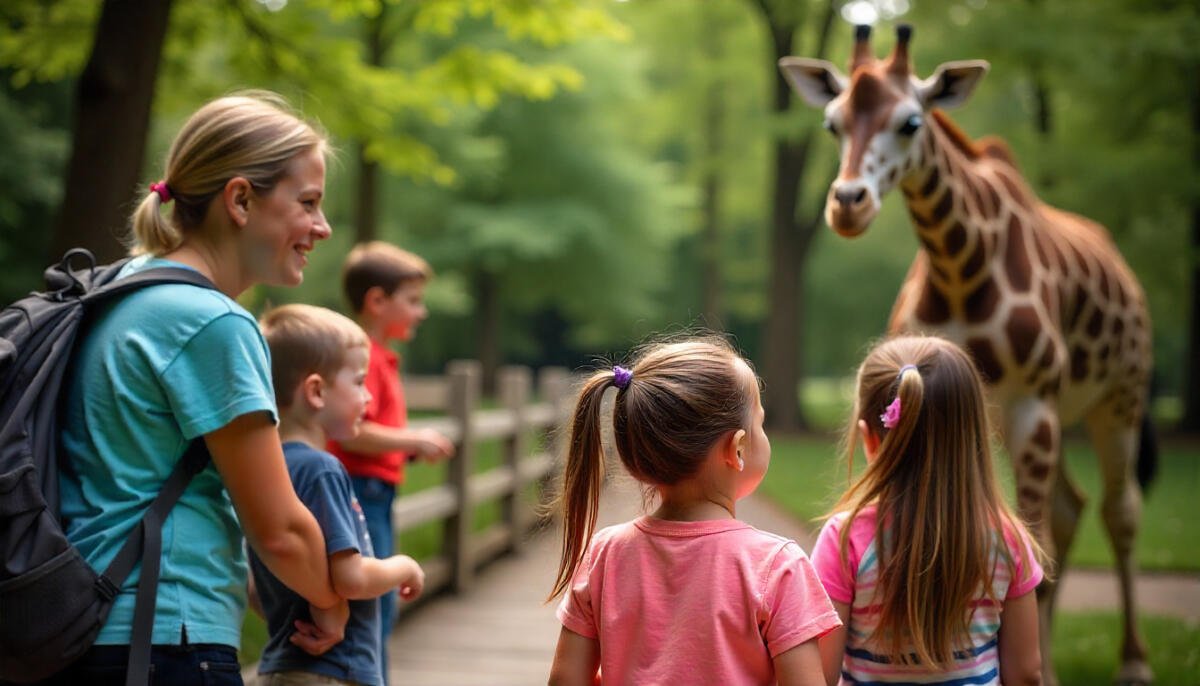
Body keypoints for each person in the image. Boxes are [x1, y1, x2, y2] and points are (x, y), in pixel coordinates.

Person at [56, 91, 347, 685]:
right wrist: (330, 598)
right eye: (308, 202)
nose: (323, 226)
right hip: (164, 641)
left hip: (85, 625)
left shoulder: (123, 288)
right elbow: (280, 530)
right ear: (240, 199)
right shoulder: (211, 323)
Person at [546, 336, 840, 686]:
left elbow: (565, 680)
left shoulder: (604, 555)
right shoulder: (777, 566)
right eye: (760, 424)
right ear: (739, 448)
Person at [810, 335, 1045, 686]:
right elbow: (1026, 673)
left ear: (868, 438)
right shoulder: (1007, 539)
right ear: (975, 437)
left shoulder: (846, 541)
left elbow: (820, 675)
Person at [251, 304, 426, 686]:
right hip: (336, 669)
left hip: (283, 663)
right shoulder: (321, 469)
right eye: (359, 381)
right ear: (315, 391)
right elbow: (350, 578)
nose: (368, 397)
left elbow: (252, 584)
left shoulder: (266, 468)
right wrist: (404, 566)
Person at [327, 241, 454, 679]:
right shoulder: (364, 357)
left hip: (377, 490)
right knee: (374, 606)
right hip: (363, 491)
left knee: (376, 605)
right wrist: (411, 437)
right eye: (413, 301)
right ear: (377, 301)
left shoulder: (378, 356)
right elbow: (353, 431)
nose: (421, 312)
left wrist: (406, 449)